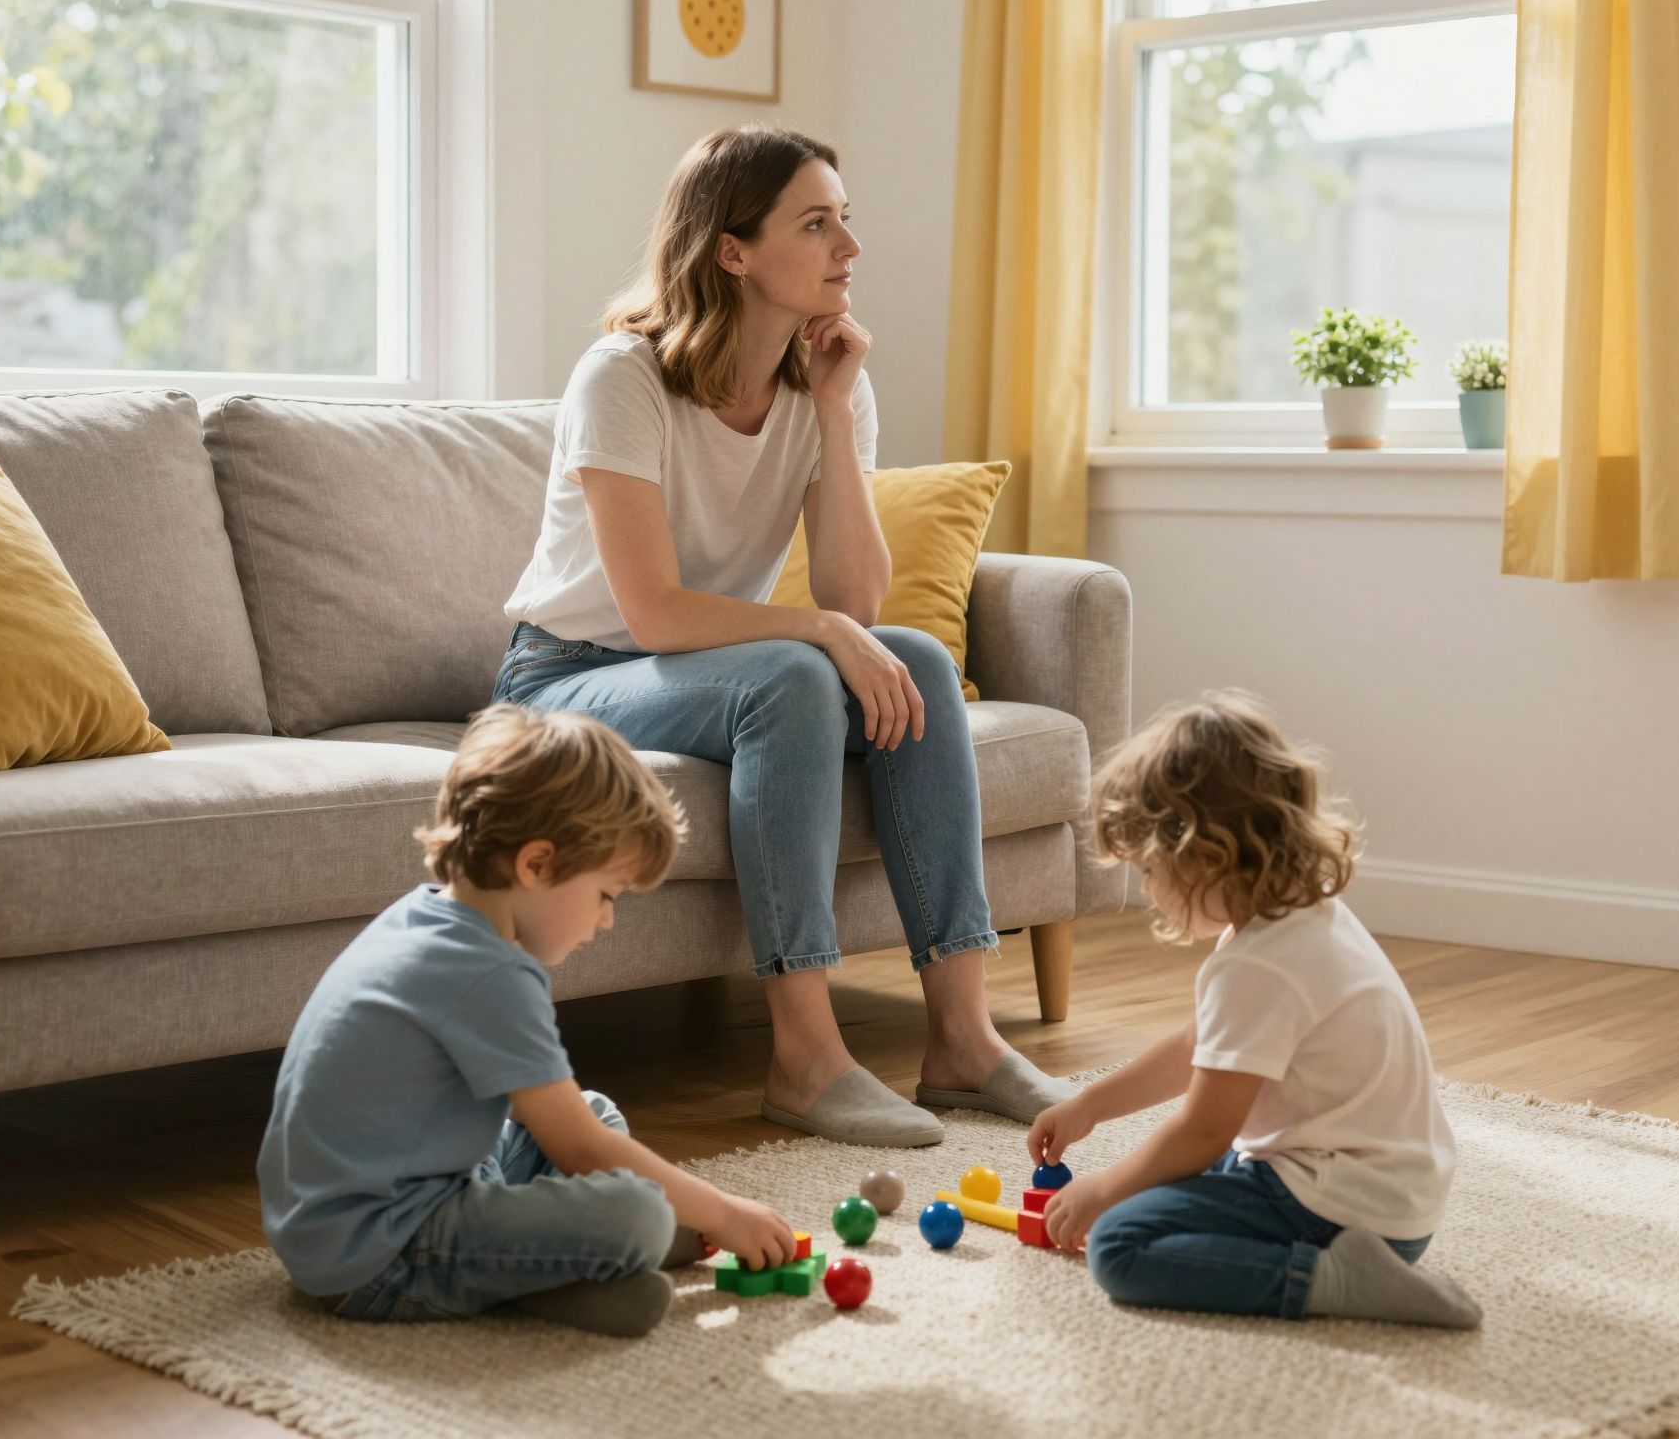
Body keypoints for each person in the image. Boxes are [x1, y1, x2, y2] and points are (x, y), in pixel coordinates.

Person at [496, 124, 1070, 1147]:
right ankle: (805, 1058)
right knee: (793, 682)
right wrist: (818, 633)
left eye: (844, 221)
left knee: (923, 662)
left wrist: (837, 419)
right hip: (570, 676)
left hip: (705, 667)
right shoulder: (621, 380)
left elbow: (854, 595)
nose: (847, 248)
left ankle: (962, 1042)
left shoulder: (826, 383)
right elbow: (653, 615)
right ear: (733, 250)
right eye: (816, 224)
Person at [258, 704, 798, 1337]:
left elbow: (542, 1118)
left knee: (594, 1110)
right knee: (633, 1210)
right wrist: (724, 1212)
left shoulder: (430, 915)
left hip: (375, 1203)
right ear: (536, 865)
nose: (605, 922)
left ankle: (561, 1279)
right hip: (377, 1252)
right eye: (606, 895)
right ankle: (564, 1271)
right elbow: (580, 1150)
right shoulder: (489, 973)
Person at [1027, 691, 1481, 1329]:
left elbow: (1204, 1130)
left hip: (1345, 1208)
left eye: (1152, 870)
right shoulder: (1296, 918)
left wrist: (1108, 1187)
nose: (1149, 891)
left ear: (1205, 855)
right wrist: (1090, 1105)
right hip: (1380, 1194)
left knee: (1119, 1243)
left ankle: (1333, 1280)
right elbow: (1200, 1045)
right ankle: (1332, 1257)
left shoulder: (1259, 966)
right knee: (1155, 1181)